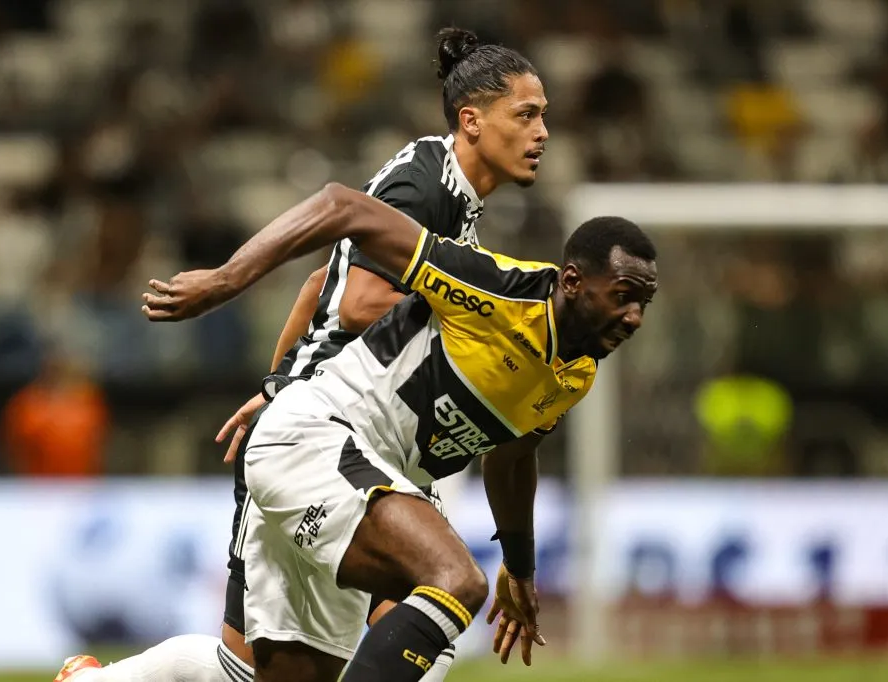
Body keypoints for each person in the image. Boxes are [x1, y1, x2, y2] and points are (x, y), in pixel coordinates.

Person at [55, 26, 548, 682]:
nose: (543, 132)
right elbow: (359, 301)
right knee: (422, 623)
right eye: (527, 114)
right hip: (329, 443)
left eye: (543, 116)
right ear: (473, 120)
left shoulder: (450, 197)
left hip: (340, 429)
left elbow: (325, 283)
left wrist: (278, 381)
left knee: (278, 664)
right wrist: (476, 314)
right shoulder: (427, 186)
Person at [142, 182, 658, 682]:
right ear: (572, 282)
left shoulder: (577, 373)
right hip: (315, 438)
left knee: (260, 675)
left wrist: (520, 568)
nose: (634, 318)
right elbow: (343, 206)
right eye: (623, 296)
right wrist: (225, 281)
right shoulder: (495, 290)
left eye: (644, 303)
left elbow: (512, 458)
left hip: (356, 477)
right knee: (453, 582)